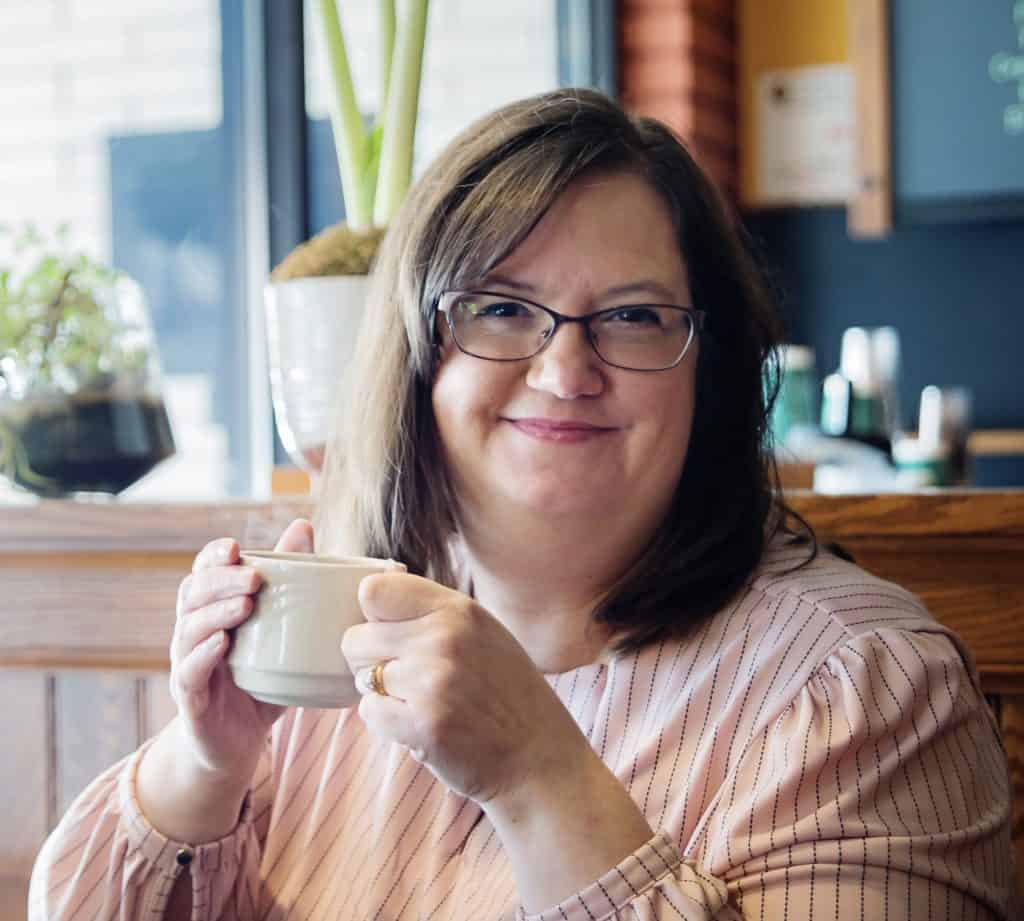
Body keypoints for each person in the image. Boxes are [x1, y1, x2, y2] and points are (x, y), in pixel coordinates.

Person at [30, 88, 1012, 920]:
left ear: (710, 370)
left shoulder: (858, 692)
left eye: (631, 316)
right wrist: (208, 757)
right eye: (499, 308)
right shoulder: (334, 648)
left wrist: (541, 778)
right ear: (416, 359)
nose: (564, 368)